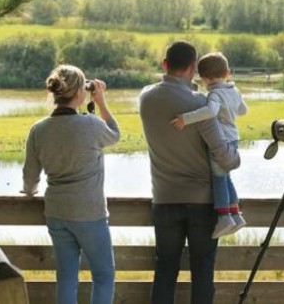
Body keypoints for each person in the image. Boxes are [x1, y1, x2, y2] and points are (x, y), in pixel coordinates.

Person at [139, 41, 240, 304]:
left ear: (165, 64)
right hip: (202, 202)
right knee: (203, 271)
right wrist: (235, 156)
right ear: (193, 68)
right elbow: (225, 158)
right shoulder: (199, 104)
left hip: (163, 199)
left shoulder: (146, 98)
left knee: (165, 270)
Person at [22, 64, 120, 304]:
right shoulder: (91, 124)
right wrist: (102, 101)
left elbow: (30, 176)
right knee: (104, 274)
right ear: (79, 93)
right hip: (90, 212)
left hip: (56, 212)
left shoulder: (39, 129)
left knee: (66, 277)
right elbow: (115, 134)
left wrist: (30, 191)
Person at [170, 52, 248, 238]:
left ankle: (224, 217)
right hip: (234, 139)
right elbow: (243, 110)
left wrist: (185, 119)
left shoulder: (215, 94)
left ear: (203, 78)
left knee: (219, 179)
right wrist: (231, 109)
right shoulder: (234, 91)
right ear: (228, 72)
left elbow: (210, 111)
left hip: (221, 140)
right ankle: (235, 213)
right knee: (225, 176)